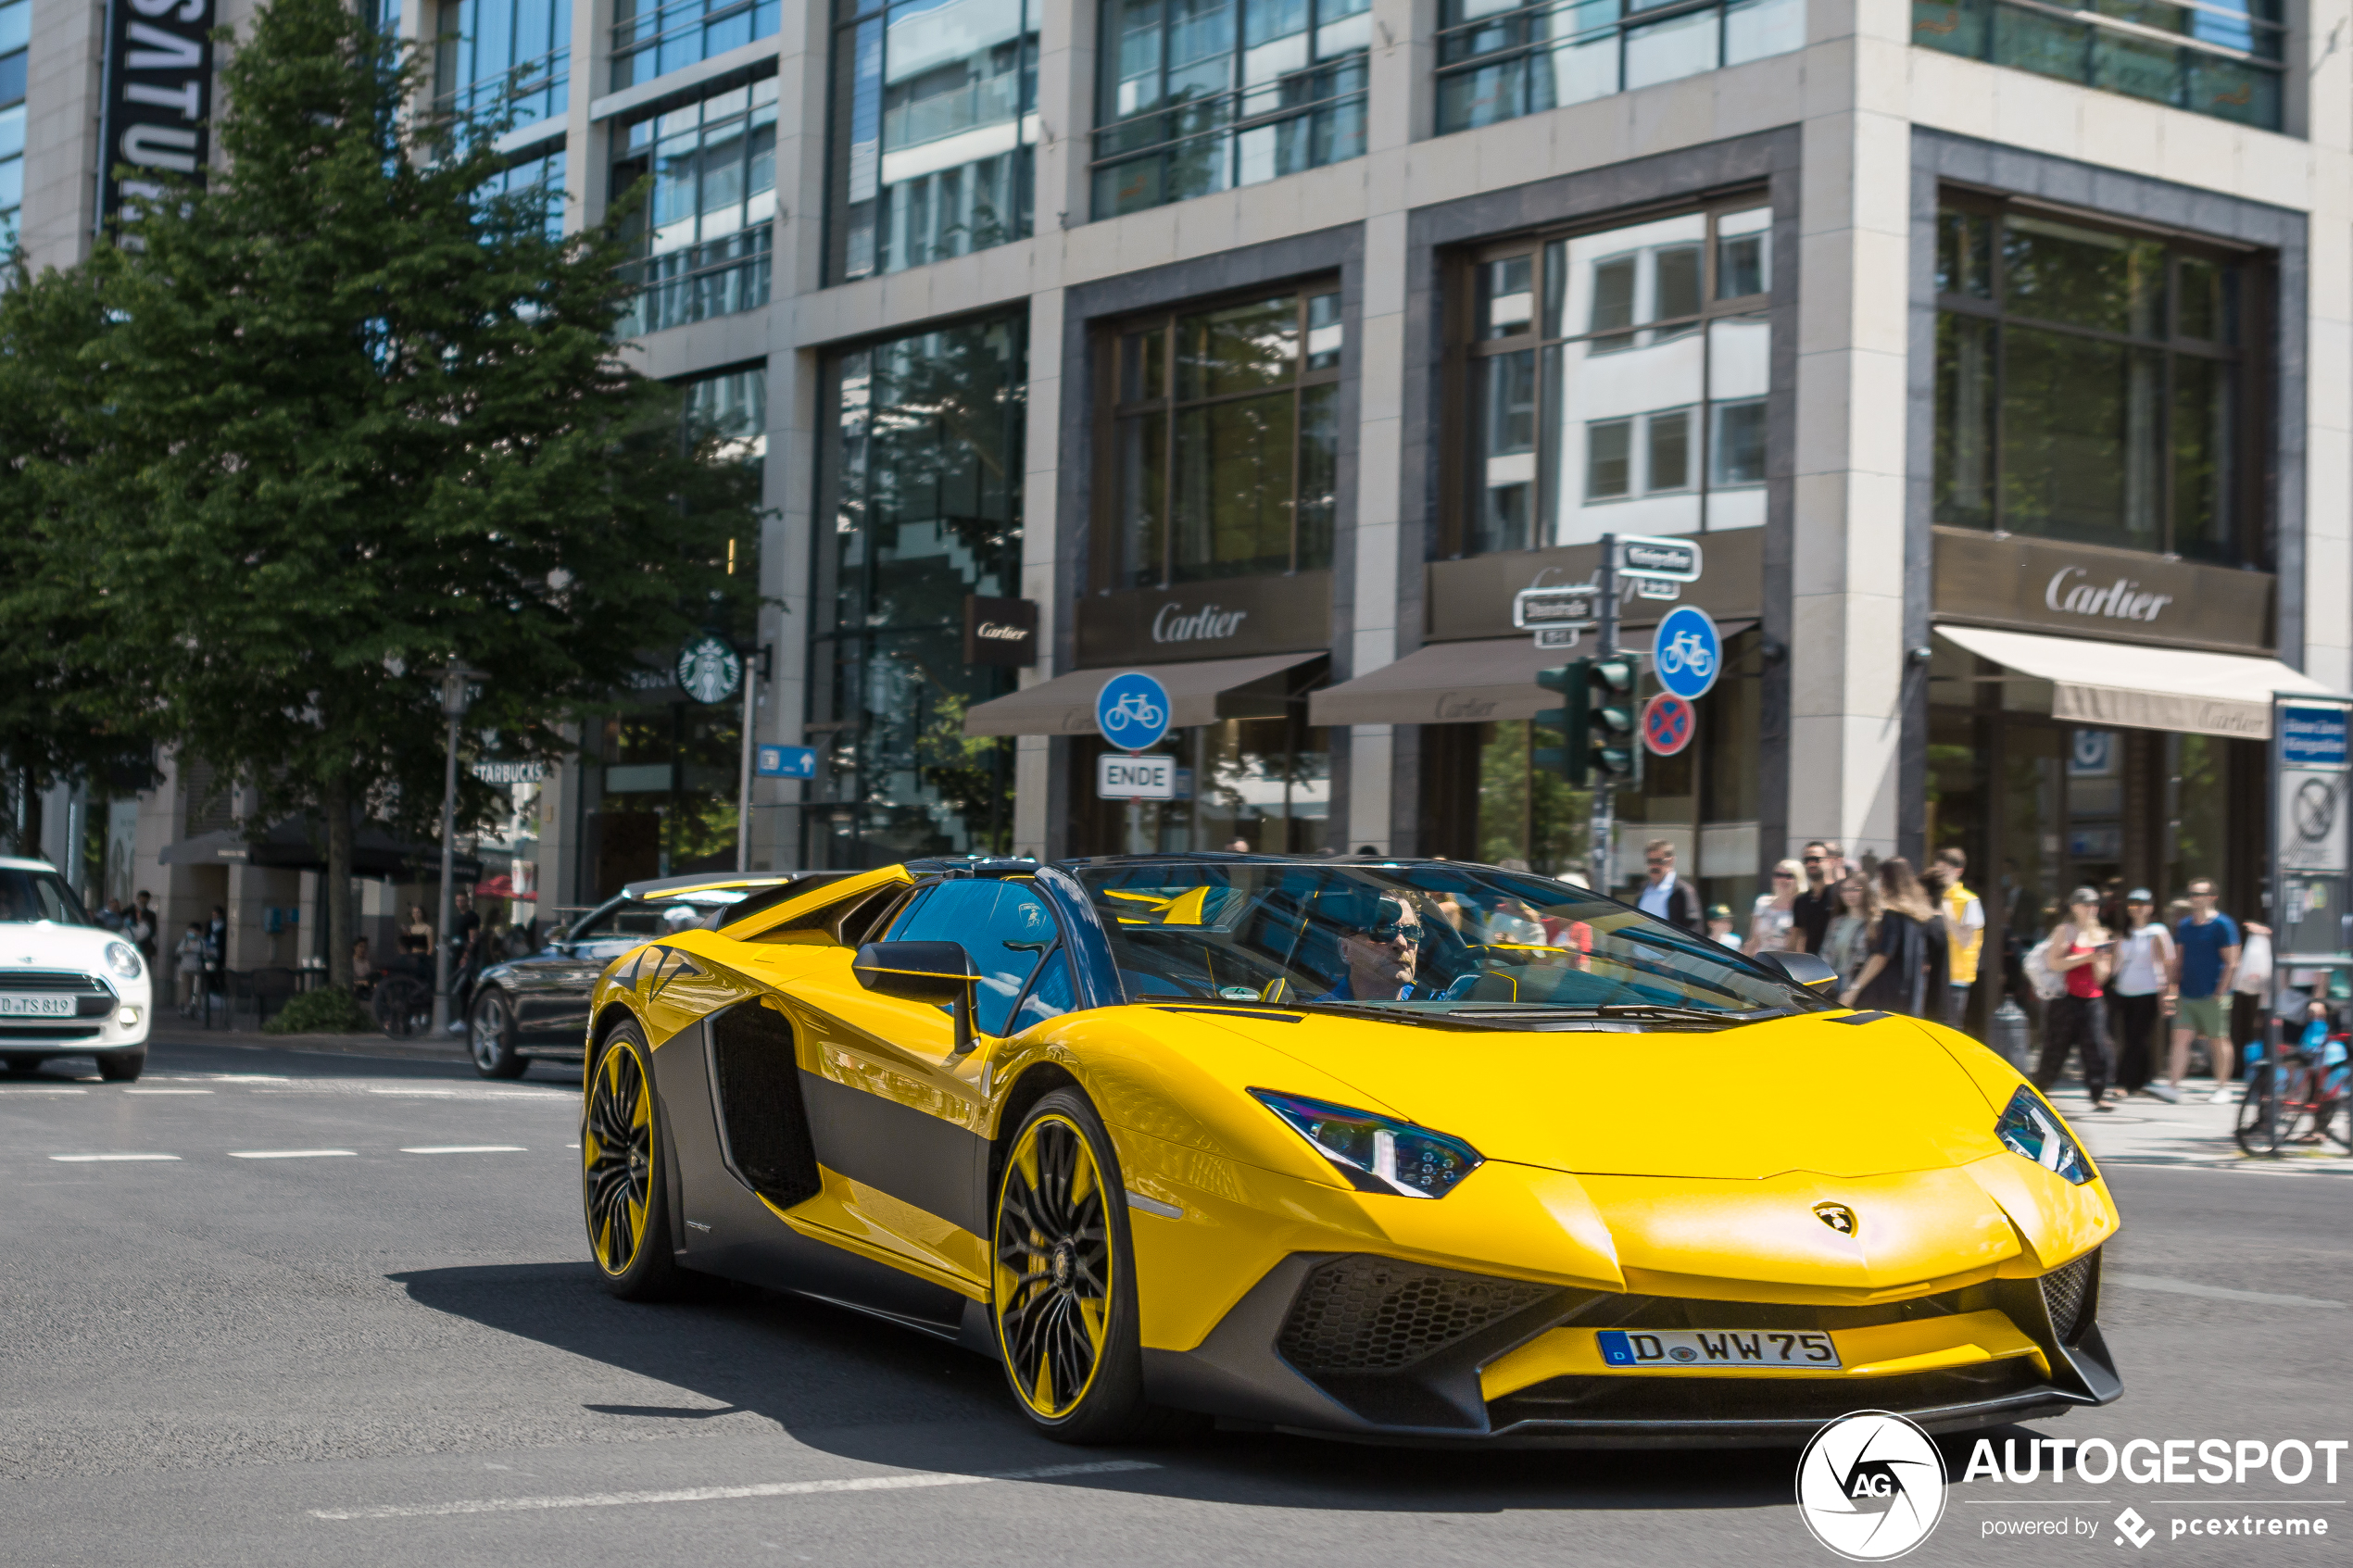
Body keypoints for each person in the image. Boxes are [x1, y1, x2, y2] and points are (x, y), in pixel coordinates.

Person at [2035, 887, 2116, 1110]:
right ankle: (2040, 1090)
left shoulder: (2100, 934)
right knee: (2055, 1046)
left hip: (2092, 997)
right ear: (2074, 907)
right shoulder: (2065, 930)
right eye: (2086, 904)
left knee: (2097, 1045)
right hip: (2065, 997)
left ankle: (2099, 1093)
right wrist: (2086, 958)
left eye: (2095, 905)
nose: (2091, 909)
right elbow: (2054, 963)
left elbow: (2102, 977)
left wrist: (2099, 961)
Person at [2164, 878, 2241, 1104]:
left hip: (2213, 993)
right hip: (2187, 992)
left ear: (2212, 897)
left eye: (2198, 894)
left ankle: (2223, 1087)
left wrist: (2220, 991)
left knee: (2218, 1039)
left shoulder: (2223, 925)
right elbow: (2178, 958)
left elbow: (2232, 961)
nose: (2193, 898)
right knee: (2180, 1037)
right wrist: (2172, 987)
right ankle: (2173, 1086)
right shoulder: (2185, 925)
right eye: (2191, 894)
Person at [1839, 858, 1946, 1019]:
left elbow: (1881, 956)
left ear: (1886, 881)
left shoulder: (1892, 916)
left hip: (1884, 997)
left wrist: (1854, 989)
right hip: (1910, 998)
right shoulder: (1922, 917)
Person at [2108, 889, 2175, 1099]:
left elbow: (2168, 962)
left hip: (2148, 991)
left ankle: (2123, 1082)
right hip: (2123, 991)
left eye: (2142, 904)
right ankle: (2143, 1080)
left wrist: (2169, 993)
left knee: (2136, 1037)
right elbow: (2115, 964)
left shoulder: (2157, 931)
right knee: (2132, 1037)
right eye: (2133, 904)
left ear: (2151, 907)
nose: (2137, 908)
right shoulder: (2123, 933)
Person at [1313, 890, 1428, 1002]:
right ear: (1345, 949)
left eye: (1411, 932)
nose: (1402, 943)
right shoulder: (1318, 1016)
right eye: (1383, 931)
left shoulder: (1438, 1006)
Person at [1931, 847, 1985, 1033]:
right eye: (1938, 871)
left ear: (1958, 871)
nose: (1941, 876)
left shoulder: (1969, 901)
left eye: (1945, 871)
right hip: (1932, 974)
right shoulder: (1930, 897)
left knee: (1949, 1028)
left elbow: (1965, 940)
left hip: (1955, 976)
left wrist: (1945, 911)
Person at [1819, 874, 1876, 993]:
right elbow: (1825, 953)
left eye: (1855, 889)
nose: (1849, 894)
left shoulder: (1874, 923)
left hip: (1858, 984)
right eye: (1845, 890)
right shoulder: (1836, 922)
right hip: (1833, 982)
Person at [1790, 840, 1846, 956]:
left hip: (1838, 964)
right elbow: (1797, 935)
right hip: (1813, 965)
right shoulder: (1801, 900)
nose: (1811, 864)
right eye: (1807, 860)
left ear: (1830, 861)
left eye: (1816, 859)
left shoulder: (1841, 894)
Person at [1634, 840, 1703, 933]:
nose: (1654, 866)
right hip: (1640, 946)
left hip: (1667, 946)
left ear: (1671, 861)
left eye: (1658, 861)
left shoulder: (1681, 891)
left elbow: (1693, 929)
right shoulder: (1643, 889)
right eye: (1650, 861)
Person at [1744, 859, 1802, 956]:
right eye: (1778, 875)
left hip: (1786, 963)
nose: (1782, 880)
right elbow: (1754, 940)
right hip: (1761, 962)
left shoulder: (1802, 906)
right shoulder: (1762, 903)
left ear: (1799, 878)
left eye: (1789, 876)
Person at [174, 922, 208, 1015]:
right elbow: (178, 952)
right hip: (185, 969)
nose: (190, 933)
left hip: (196, 969)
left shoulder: (201, 942)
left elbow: (204, 954)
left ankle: (196, 1007)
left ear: (198, 932)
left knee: (196, 990)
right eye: (189, 931)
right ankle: (185, 1006)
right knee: (186, 989)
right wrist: (185, 950)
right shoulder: (184, 941)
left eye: (192, 931)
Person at [126, 892, 158, 965]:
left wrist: (144, 928)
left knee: (145, 966)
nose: (143, 902)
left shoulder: (151, 915)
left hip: (145, 947)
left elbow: (153, 931)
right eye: (141, 900)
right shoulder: (129, 911)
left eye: (145, 901)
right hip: (130, 943)